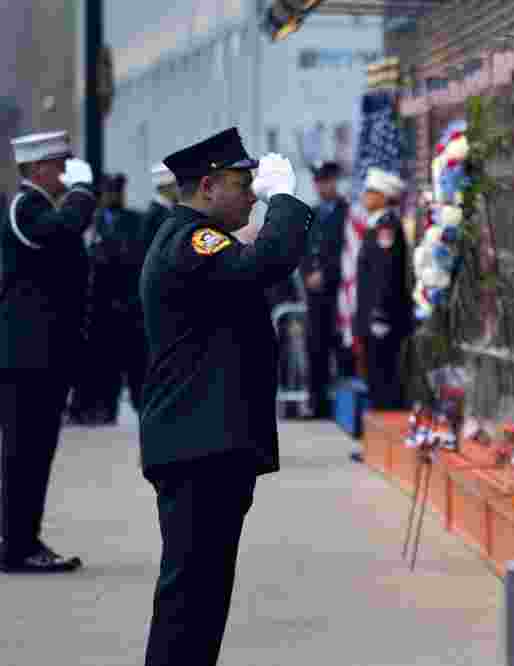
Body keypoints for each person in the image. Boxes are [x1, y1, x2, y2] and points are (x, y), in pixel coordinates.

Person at [138, 127, 311, 666]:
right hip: (198, 443)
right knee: (190, 599)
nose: (253, 193)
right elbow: (265, 264)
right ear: (208, 186)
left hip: (205, 440)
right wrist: (286, 199)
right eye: (244, 182)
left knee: (203, 596)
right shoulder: (192, 240)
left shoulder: (194, 239)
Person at [0, 130, 97, 573]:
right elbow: (62, 230)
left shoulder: (41, 207)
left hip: (42, 356)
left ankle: (22, 539)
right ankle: (18, 545)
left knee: (34, 453)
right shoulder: (26, 206)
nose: (64, 172)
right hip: (28, 358)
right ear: (37, 168)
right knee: (26, 453)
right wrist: (81, 191)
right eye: (59, 165)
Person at [87, 173, 149, 422]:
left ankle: (142, 410)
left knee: (137, 364)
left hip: (131, 305)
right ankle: (104, 410)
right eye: (109, 191)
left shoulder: (136, 220)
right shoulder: (93, 223)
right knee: (106, 366)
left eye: (117, 191)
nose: (114, 196)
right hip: (103, 309)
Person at [354, 167, 413, 411]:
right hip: (372, 316)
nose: (364, 197)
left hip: (383, 318)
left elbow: (385, 273)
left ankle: (388, 437)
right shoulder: (376, 225)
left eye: (370, 192)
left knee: (385, 380)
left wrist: (380, 312)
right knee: (376, 381)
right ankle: (377, 441)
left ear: (383, 196)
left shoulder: (386, 226)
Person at [302, 160, 351, 418]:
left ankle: (345, 405)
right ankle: (317, 403)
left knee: (341, 349)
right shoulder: (310, 214)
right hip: (315, 295)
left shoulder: (347, 212)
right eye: (319, 182)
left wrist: (327, 274)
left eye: (327, 181)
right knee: (315, 349)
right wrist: (307, 274)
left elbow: (347, 250)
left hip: (338, 293)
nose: (322, 186)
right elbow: (303, 250)